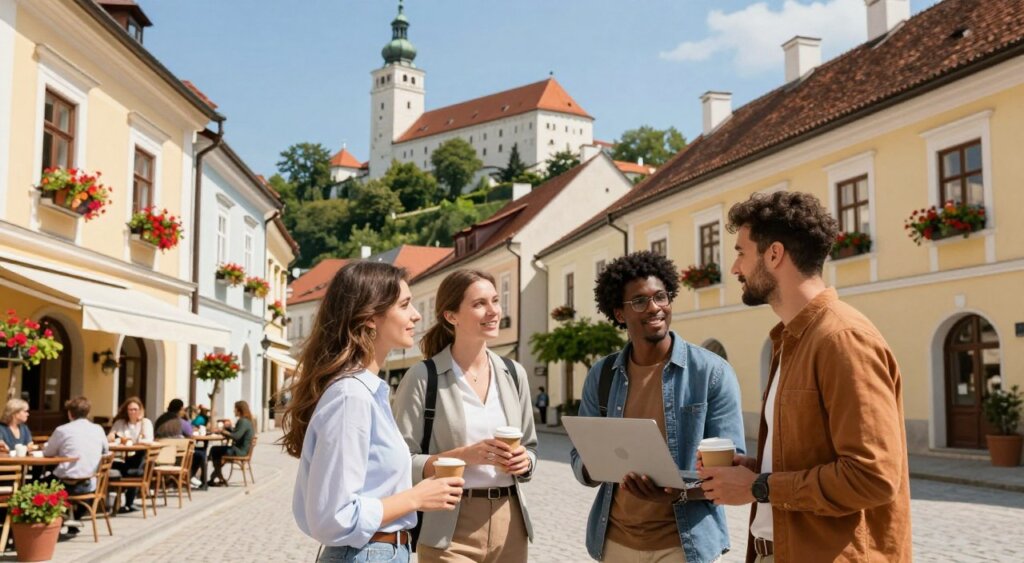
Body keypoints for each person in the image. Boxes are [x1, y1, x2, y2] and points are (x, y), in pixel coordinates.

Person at [699, 192, 912, 562]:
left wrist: (760, 486)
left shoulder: (842, 339)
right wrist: (756, 469)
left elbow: (873, 478)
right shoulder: (792, 339)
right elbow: (813, 457)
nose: (734, 268)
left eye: (741, 253)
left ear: (774, 254)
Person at [570, 251, 745, 563]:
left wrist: (676, 492)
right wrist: (596, 464)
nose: (654, 307)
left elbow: (730, 473)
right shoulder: (602, 375)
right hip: (615, 543)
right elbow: (579, 458)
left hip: (684, 545)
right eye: (639, 301)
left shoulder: (712, 373)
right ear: (619, 313)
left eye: (660, 296)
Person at [282, 261, 464, 563]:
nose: (416, 314)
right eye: (404, 305)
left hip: (379, 552)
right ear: (369, 317)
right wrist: (417, 497)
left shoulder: (366, 391)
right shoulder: (350, 396)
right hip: (366, 553)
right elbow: (333, 516)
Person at [394, 269, 538, 562]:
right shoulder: (423, 377)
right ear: (451, 316)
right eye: (479, 304)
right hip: (448, 526)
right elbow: (399, 462)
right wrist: (464, 456)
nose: (493, 311)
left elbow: (531, 447)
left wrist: (525, 462)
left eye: (495, 301)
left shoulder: (514, 374)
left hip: (510, 522)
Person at [43, 396, 109, 534]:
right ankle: (72, 518)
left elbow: (48, 453)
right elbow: (106, 451)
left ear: (69, 413)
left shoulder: (62, 430)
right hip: (91, 484)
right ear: (88, 413)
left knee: (39, 484)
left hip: (66, 484)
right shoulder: (98, 429)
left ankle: (56, 522)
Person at [107, 396, 153, 513]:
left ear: (140, 410)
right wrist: (118, 438)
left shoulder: (145, 423)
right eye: (130, 409)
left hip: (139, 457)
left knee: (135, 468)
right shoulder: (120, 423)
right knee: (114, 467)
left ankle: (128, 502)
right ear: (126, 410)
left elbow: (149, 440)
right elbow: (111, 437)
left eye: (135, 409)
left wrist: (137, 439)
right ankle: (125, 502)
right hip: (124, 457)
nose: (133, 412)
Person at [206, 400, 255, 487]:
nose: (233, 411)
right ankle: (216, 476)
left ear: (239, 410)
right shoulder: (247, 421)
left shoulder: (242, 421)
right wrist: (229, 428)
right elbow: (237, 433)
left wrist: (222, 431)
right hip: (242, 450)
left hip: (240, 451)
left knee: (214, 450)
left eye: (234, 409)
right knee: (217, 452)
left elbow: (236, 436)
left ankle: (217, 475)